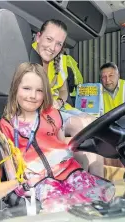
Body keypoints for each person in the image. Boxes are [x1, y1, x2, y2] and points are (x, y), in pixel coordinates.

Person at [0, 62, 115, 212]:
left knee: (102, 195)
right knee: (61, 207)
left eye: (39, 90)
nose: (32, 96)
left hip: (70, 173)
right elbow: (9, 162)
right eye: (26, 88)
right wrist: (19, 187)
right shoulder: (7, 123)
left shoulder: (52, 115)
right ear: (15, 89)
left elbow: (62, 147)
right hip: (40, 182)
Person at [32, 19, 104, 177]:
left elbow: (64, 91)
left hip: (61, 107)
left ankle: (99, 185)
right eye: (49, 39)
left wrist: (60, 101)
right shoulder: (27, 56)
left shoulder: (61, 61)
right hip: (45, 112)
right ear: (38, 37)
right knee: (80, 125)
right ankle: (83, 183)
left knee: (94, 123)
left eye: (58, 44)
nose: (52, 48)